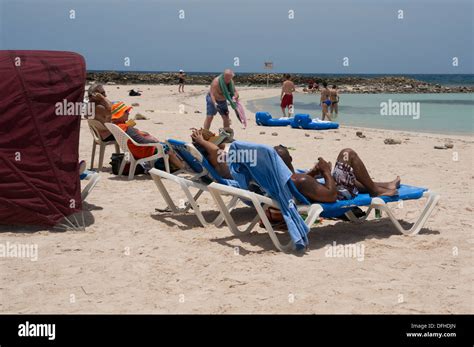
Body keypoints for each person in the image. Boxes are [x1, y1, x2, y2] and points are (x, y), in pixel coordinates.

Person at [274, 145, 400, 203]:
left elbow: (304, 183)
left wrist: (312, 173)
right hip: (340, 195)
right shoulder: (300, 180)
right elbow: (332, 196)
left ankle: (385, 185)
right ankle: (375, 191)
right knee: (347, 153)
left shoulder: (279, 178)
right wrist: (326, 171)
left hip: (322, 190)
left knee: (342, 177)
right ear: (290, 159)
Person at [110, 102, 184, 171]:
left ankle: (175, 165)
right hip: (142, 151)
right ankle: (182, 168)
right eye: (126, 112)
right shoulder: (127, 129)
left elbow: (135, 137)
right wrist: (155, 141)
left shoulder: (117, 126)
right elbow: (141, 141)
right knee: (167, 148)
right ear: (120, 115)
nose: (128, 113)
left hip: (132, 151)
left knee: (163, 146)